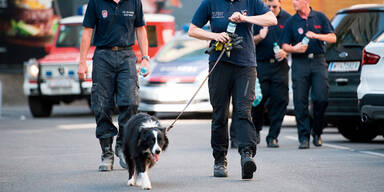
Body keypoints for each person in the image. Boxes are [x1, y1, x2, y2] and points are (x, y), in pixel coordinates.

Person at [188, 0, 277, 179]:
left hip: (245, 66)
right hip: (219, 64)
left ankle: (246, 156)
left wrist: (245, 18)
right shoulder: (210, 3)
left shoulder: (252, 2)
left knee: (244, 112)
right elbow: (192, 30)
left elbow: (271, 19)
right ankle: (220, 160)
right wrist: (214, 36)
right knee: (220, 114)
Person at [78, 0, 150, 171]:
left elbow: (140, 29)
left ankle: (122, 146)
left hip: (127, 56)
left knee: (131, 103)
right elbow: (87, 32)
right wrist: (82, 62)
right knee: (102, 106)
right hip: (103, 56)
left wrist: (145, 58)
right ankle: (107, 152)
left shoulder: (134, 2)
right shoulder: (96, 2)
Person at [280, 0, 336, 149]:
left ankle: (317, 132)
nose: (294, 2)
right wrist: (295, 49)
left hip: (318, 61)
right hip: (300, 63)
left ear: (306, 1)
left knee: (321, 98)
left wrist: (317, 36)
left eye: (297, 0)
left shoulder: (320, 17)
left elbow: (333, 37)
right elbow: (284, 45)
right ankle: (303, 137)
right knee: (300, 101)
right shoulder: (292, 21)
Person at [251, 0, 291, 148]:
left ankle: (273, 136)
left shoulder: (288, 19)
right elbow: (248, 41)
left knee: (280, 101)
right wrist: (260, 37)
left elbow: (294, 41)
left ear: (280, 4)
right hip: (261, 64)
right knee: (258, 101)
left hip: (280, 66)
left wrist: (286, 50)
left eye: (274, 6)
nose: (271, 9)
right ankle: (256, 130)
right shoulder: (257, 17)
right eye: (268, 6)